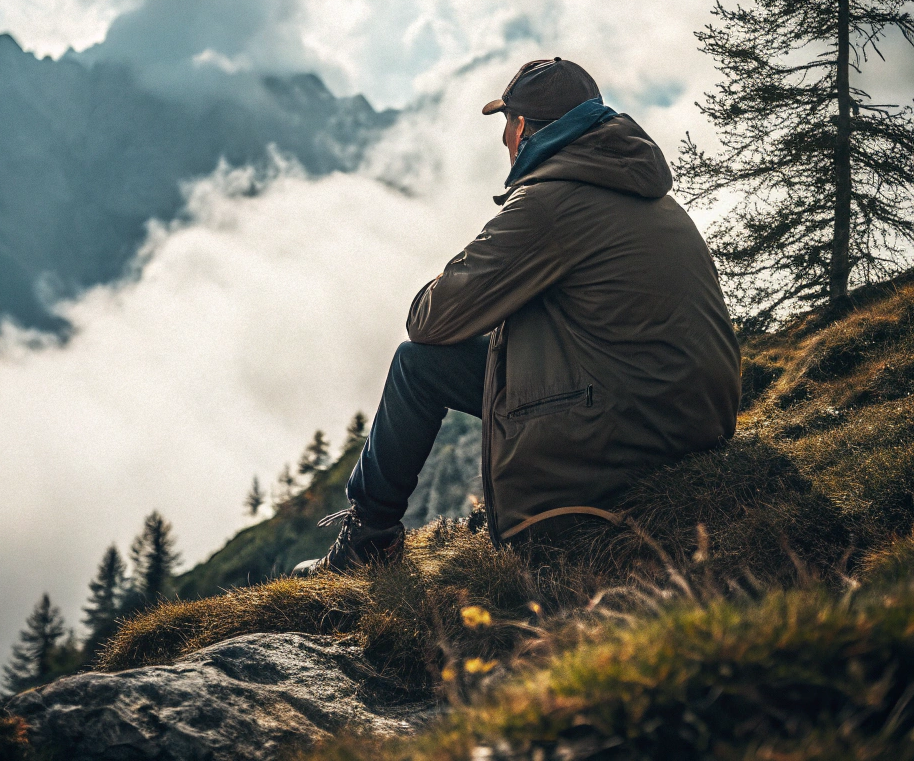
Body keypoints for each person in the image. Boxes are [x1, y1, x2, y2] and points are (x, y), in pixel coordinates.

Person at [292, 57, 741, 576]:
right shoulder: (639, 186)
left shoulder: (549, 203)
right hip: (693, 421)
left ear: (522, 128)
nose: (503, 137)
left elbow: (430, 320)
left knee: (418, 364)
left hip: (626, 430)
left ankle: (367, 543)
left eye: (505, 123)